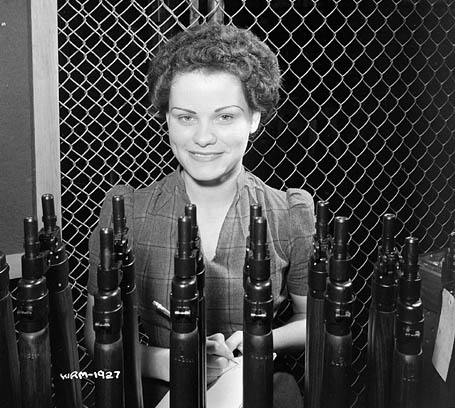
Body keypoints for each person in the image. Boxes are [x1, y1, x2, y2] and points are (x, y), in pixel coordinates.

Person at [84, 23, 315, 407]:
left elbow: (315, 321)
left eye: (224, 117)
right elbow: (98, 335)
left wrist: (260, 340)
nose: (203, 137)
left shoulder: (289, 213)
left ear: (255, 118)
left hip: (256, 377)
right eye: (186, 117)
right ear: (167, 118)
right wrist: (173, 362)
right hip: (157, 382)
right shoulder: (126, 213)